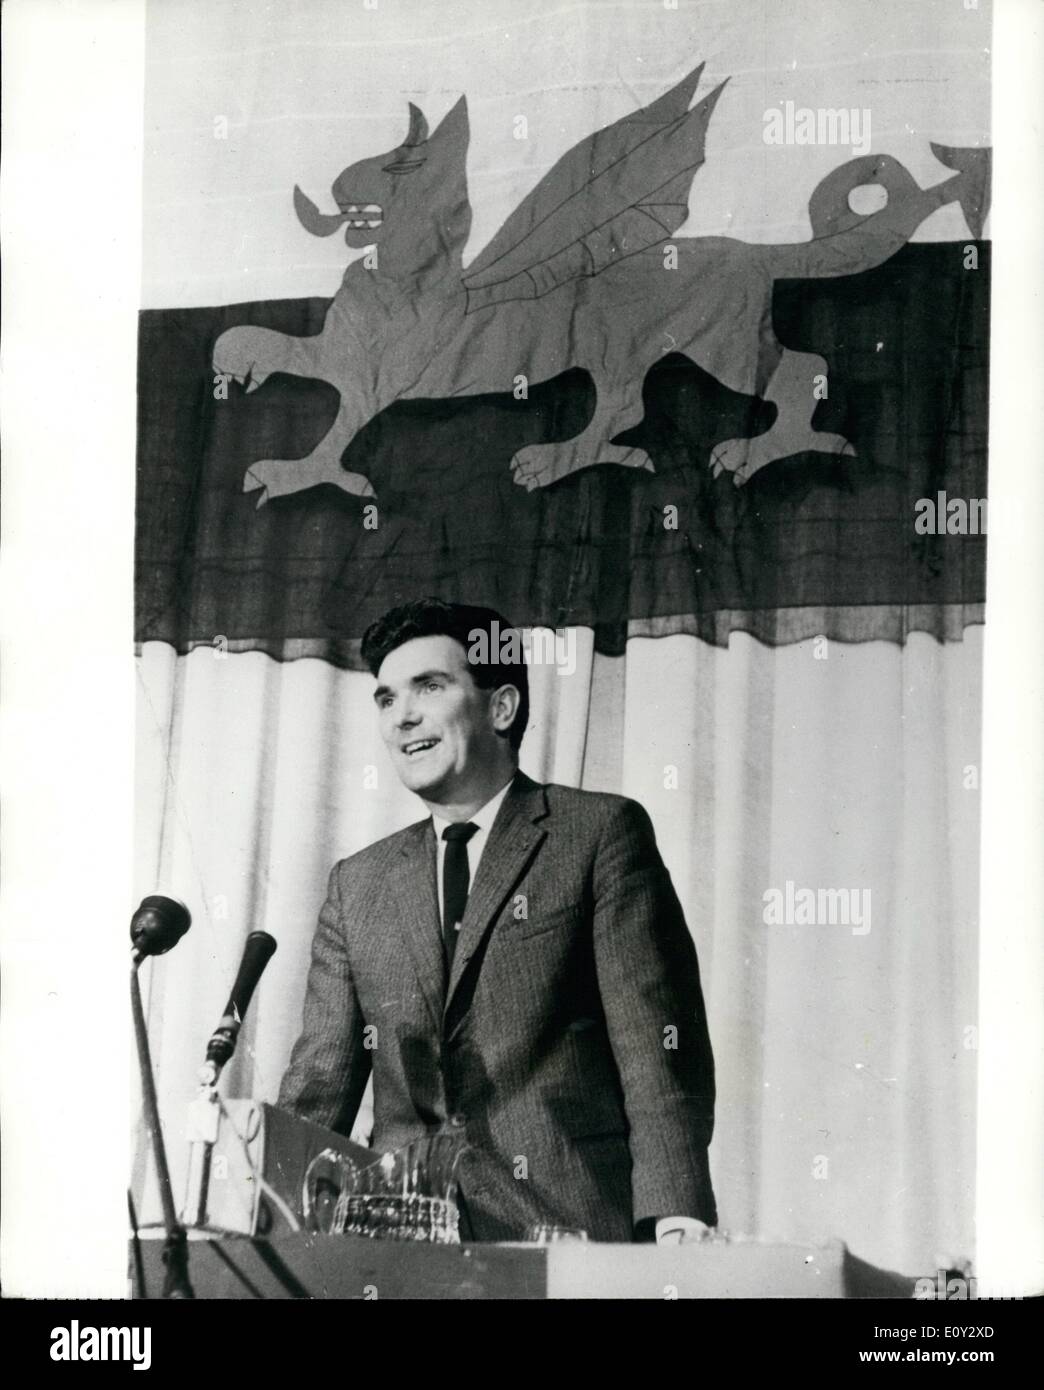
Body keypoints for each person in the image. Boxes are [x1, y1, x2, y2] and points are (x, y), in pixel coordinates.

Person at [278, 598, 717, 1242]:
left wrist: (677, 1213)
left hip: (570, 1237)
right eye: (385, 698)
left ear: (501, 707)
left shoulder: (597, 834)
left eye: (429, 686)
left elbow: (657, 1043)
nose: (403, 716)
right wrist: (273, 1222)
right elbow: (320, 1085)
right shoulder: (358, 883)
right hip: (401, 1253)